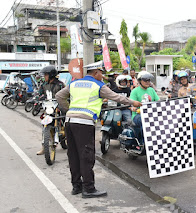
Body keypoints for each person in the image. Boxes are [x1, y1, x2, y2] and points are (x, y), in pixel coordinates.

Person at [56, 62, 142, 198]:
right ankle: (88, 189)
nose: (102, 76)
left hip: (69, 122)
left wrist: (69, 110)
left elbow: (59, 96)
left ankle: (76, 186)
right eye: (101, 73)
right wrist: (133, 103)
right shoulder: (98, 86)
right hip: (84, 123)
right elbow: (117, 97)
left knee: (74, 155)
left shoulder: (75, 83)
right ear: (95, 72)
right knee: (86, 156)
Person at [36, 65, 65, 155]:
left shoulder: (60, 84)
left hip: (59, 107)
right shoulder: (44, 85)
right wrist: (37, 98)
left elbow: (66, 94)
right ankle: (44, 147)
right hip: (48, 108)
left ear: (51, 75)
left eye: (46, 75)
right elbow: (39, 94)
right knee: (44, 126)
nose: (44, 77)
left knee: (66, 121)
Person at [130, 71, 160, 143]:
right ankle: (143, 142)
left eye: (148, 80)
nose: (147, 82)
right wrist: (134, 109)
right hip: (138, 115)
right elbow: (131, 104)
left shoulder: (152, 90)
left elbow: (158, 101)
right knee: (145, 121)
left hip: (151, 114)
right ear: (140, 81)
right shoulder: (135, 91)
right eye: (145, 80)